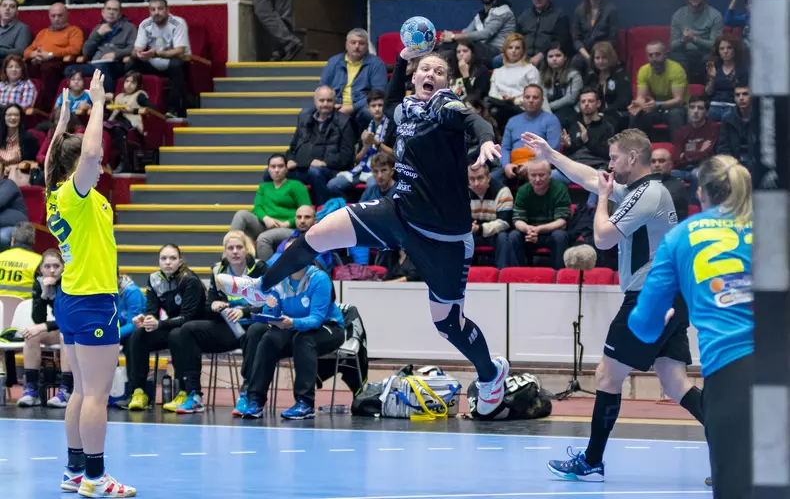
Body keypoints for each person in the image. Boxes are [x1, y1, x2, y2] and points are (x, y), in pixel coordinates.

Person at [215, 43, 511, 417]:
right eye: (425, 70)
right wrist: (402, 63)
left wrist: (486, 140)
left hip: (442, 237)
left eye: (438, 71)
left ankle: (490, 374)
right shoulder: (406, 108)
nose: (430, 75)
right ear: (415, 77)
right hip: (398, 211)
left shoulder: (445, 106)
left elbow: (473, 122)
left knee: (448, 323)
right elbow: (389, 106)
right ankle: (262, 287)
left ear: (447, 82)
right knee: (316, 234)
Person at [521, 129, 704, 482]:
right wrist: (551, 154)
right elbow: (591, 178)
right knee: (675, 381)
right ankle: (736, 448)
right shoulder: (642, 190)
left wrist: (603, 199)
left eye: (615, 157)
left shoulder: (649, 193)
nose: (610, 163)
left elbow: (603, 236)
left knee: (606, 376)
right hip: (669, 294)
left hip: (650, 297)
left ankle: (591, 459)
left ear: (633, 158)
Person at [628, 154, 753, 498]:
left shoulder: (681, 236)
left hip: (733, 372)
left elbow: (642, 325)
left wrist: (661, 321)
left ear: (702, 193)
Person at [44, 71, 135, 496]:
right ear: (76, 166)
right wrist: (98, 102)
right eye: (92, 165)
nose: (100, 169)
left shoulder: (53, 190)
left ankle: (75, 470)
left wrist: (62, 121)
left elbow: (53, 158)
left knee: (82, 389)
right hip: (92, 302)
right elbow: (93, 153)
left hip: (71, 300)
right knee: (97, 393)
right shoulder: (74, 196)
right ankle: (96, 478)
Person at [239, 238, 345, 419]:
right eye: (287, 253)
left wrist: (292, 323)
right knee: (269, 339)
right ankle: (255, 400)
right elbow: (272, 315)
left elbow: (317, 319)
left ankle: (305, 403)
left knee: (303, 340)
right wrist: (270, 308)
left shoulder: (319, 278)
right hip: (293, 327)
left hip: (329, 328)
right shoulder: (279, 279)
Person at [173, 231, 268, 415]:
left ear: (246, 249)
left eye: (239, 247)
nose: (234, 252)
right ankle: (194, 395)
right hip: (228, 328)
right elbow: (210, 305)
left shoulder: (260, 269)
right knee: (187, 330)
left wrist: (244, 311)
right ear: (224, 252)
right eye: (230, 248)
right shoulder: (218, 271)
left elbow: (271, 302)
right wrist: (214, 305)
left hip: (253, 326)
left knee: (256, 332)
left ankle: (247, 394)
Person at [126, 244, 206, 413]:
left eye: (172, 258)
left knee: (178, 335)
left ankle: (184, 392)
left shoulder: (189, 280)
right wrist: (145, 319)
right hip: (171, 326)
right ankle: (139, 391)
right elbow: (152, 311)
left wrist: (159, 324)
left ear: (180, 261)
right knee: (139, 334)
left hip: (194, 328)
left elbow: (187, 317)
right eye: (164, 259)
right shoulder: (154, 279)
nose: (168, 262)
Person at [17, 248, 75, 409]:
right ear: (41, 270)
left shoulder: (70, 283)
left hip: (77, 329)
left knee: (65, 335)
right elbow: (38, 319)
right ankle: (31, 391)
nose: (51, 270)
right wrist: (44, 294)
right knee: (32, 335)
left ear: (64, 268)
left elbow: (69, 319)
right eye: (47, 266)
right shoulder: (39, 283)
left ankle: (65, 390)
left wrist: (43, 326)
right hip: (63, 327)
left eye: (56, 266)